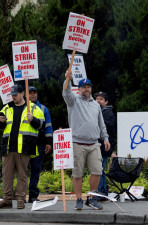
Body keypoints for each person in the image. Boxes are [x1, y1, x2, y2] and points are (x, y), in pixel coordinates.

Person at [62, 72, 110, 210]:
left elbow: (101, 124)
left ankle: (91, 198)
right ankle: (78, 199)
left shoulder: (96, 105)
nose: (86, 89)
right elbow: (66, 92)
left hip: (94, 143)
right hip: (77, 143)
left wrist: (105, 138)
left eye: (88, 87)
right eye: (84, 87)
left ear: (91, 89)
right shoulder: (73, 101)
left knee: (97, 171)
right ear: (79, 89)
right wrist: (67, 80)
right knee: (77, 173)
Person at [0, 84, 45, 209]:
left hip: (25, 146)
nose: (13, 97)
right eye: (12, 95)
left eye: (15, 95)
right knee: (7, 175)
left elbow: (42, 126)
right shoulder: (6, 108)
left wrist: (33, 120)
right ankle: (7, 200)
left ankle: (21, 199)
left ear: (22, 94)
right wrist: (0, 121)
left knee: (22, 175)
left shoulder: (33, 108)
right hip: (8, 147)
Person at [28, 86, 53, 203]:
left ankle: (33, 195)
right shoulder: (21, 107)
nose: (33, 95)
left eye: (34, 93)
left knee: (36, 169)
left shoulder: (43, 109)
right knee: (22, 170)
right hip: (23, 143)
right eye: (30, 93)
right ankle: (20, 195)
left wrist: (48, 143)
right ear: (25, 95)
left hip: (39, 143)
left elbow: (48, 127)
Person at [94, 92, 116, 200]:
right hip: (99, 146)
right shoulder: (97, 112)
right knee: (100, 170)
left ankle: (100, 193)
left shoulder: (108, 113)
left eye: (101, 99)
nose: (98, 101)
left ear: (106, 102)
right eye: (97, 98)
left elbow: (105, 128)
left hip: (104, 146)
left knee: (99, 169)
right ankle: (103, 192)